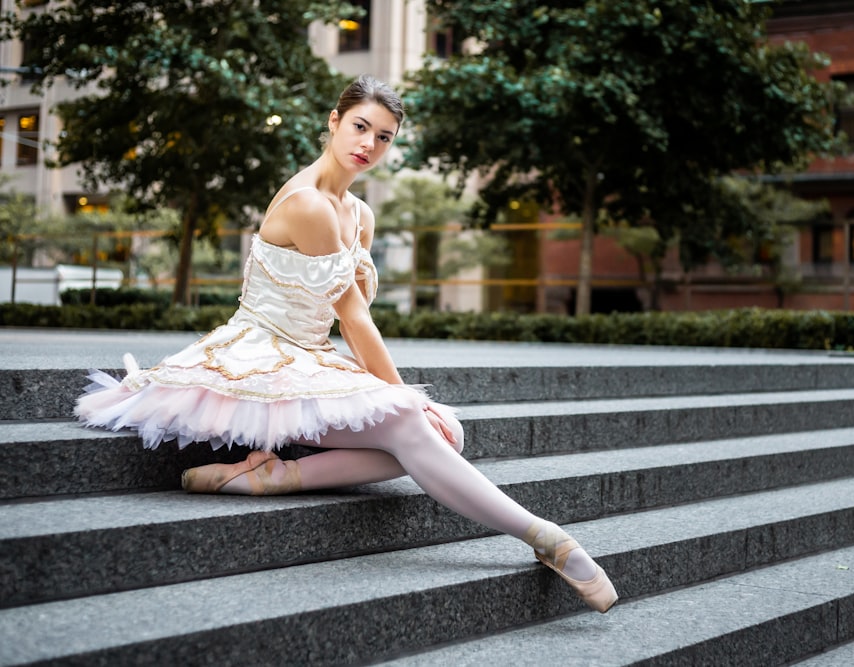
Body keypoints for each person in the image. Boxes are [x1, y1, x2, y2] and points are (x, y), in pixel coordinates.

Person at [75, 74, 618, 613]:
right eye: (360, 127)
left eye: (383, 137)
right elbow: (355, 322)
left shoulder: (360, 213)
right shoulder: (309, 205)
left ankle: (277, 477)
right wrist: (408, 399)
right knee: (416, 423)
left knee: (444, 433)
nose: (368, 145)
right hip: (260, 356)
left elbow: (348, 324)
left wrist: (406, 402)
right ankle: (547, 537)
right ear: (333, 123)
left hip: (308, 354)